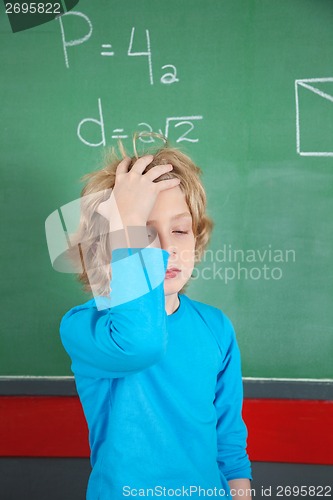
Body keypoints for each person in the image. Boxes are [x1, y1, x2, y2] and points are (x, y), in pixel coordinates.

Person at [60, 136, 252, 499]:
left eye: (179, 230)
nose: (166, 248)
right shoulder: (85, 326)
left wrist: (240, 492)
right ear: (111, 248)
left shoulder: (216, 327)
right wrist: (124, 218)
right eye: (142, 233)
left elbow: (228, 437)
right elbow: (141, 344)